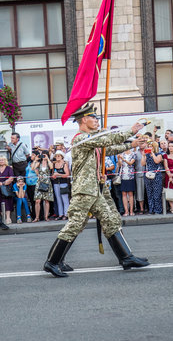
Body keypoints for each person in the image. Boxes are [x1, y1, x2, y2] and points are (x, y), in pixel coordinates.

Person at [43, 103, 149, 277]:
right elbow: (107, 140)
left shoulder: (90, 140)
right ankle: (53, 261)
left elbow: (108, 149)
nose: (97, 120)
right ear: (84, 119)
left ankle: (126, 257)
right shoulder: (81, 138)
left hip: (94, 189)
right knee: (75, 224)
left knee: (111, 220)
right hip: (85, 190)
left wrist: (132, 144)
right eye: (94, 117)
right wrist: (131, 131)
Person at [142, 139, 163, 214]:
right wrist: (143, 155)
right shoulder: (146, 155)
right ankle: (151, 209)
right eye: (149, 146)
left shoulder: (158, 154)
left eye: (151, 147)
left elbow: (157, 161)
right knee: (149, 193)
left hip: (156, 175)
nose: (150, 148)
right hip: (148, 175)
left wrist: (153, 154)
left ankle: (158, 210)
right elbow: (142, 164)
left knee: (157, 193)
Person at [32, 152, 53, 222]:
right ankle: (37, 217)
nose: (43, 156)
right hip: (40, 182)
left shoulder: (48, 163)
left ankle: (46, 216)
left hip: (47, 182)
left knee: (46, 200)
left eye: (45, 155)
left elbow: (51, 167)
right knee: (37, 200)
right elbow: (32, 168)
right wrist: (35, 160)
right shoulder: (39, 163)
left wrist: (48, 159)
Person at [51, 151, 70, 220]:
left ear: (62, 156)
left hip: (63, 183)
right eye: (56, 156)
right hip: (56, 183)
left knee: (65, 199)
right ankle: (60, 214)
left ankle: (66, 214)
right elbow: (53, 174)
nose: (57, 157)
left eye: (59, 156)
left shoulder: (64, 164)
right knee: (58, 199)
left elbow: (67, 174)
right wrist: (53, 176)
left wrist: (58, 175)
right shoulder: (54, 164)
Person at [0, 156, 15, 225]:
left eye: (3, 160)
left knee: (7, 203)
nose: (1, 161)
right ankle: (3, 218)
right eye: (0, 160)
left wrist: (3, 183)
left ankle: (8, 218)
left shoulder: (9, 168)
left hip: (6, 189)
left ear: (5, 161)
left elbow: (11, 178)